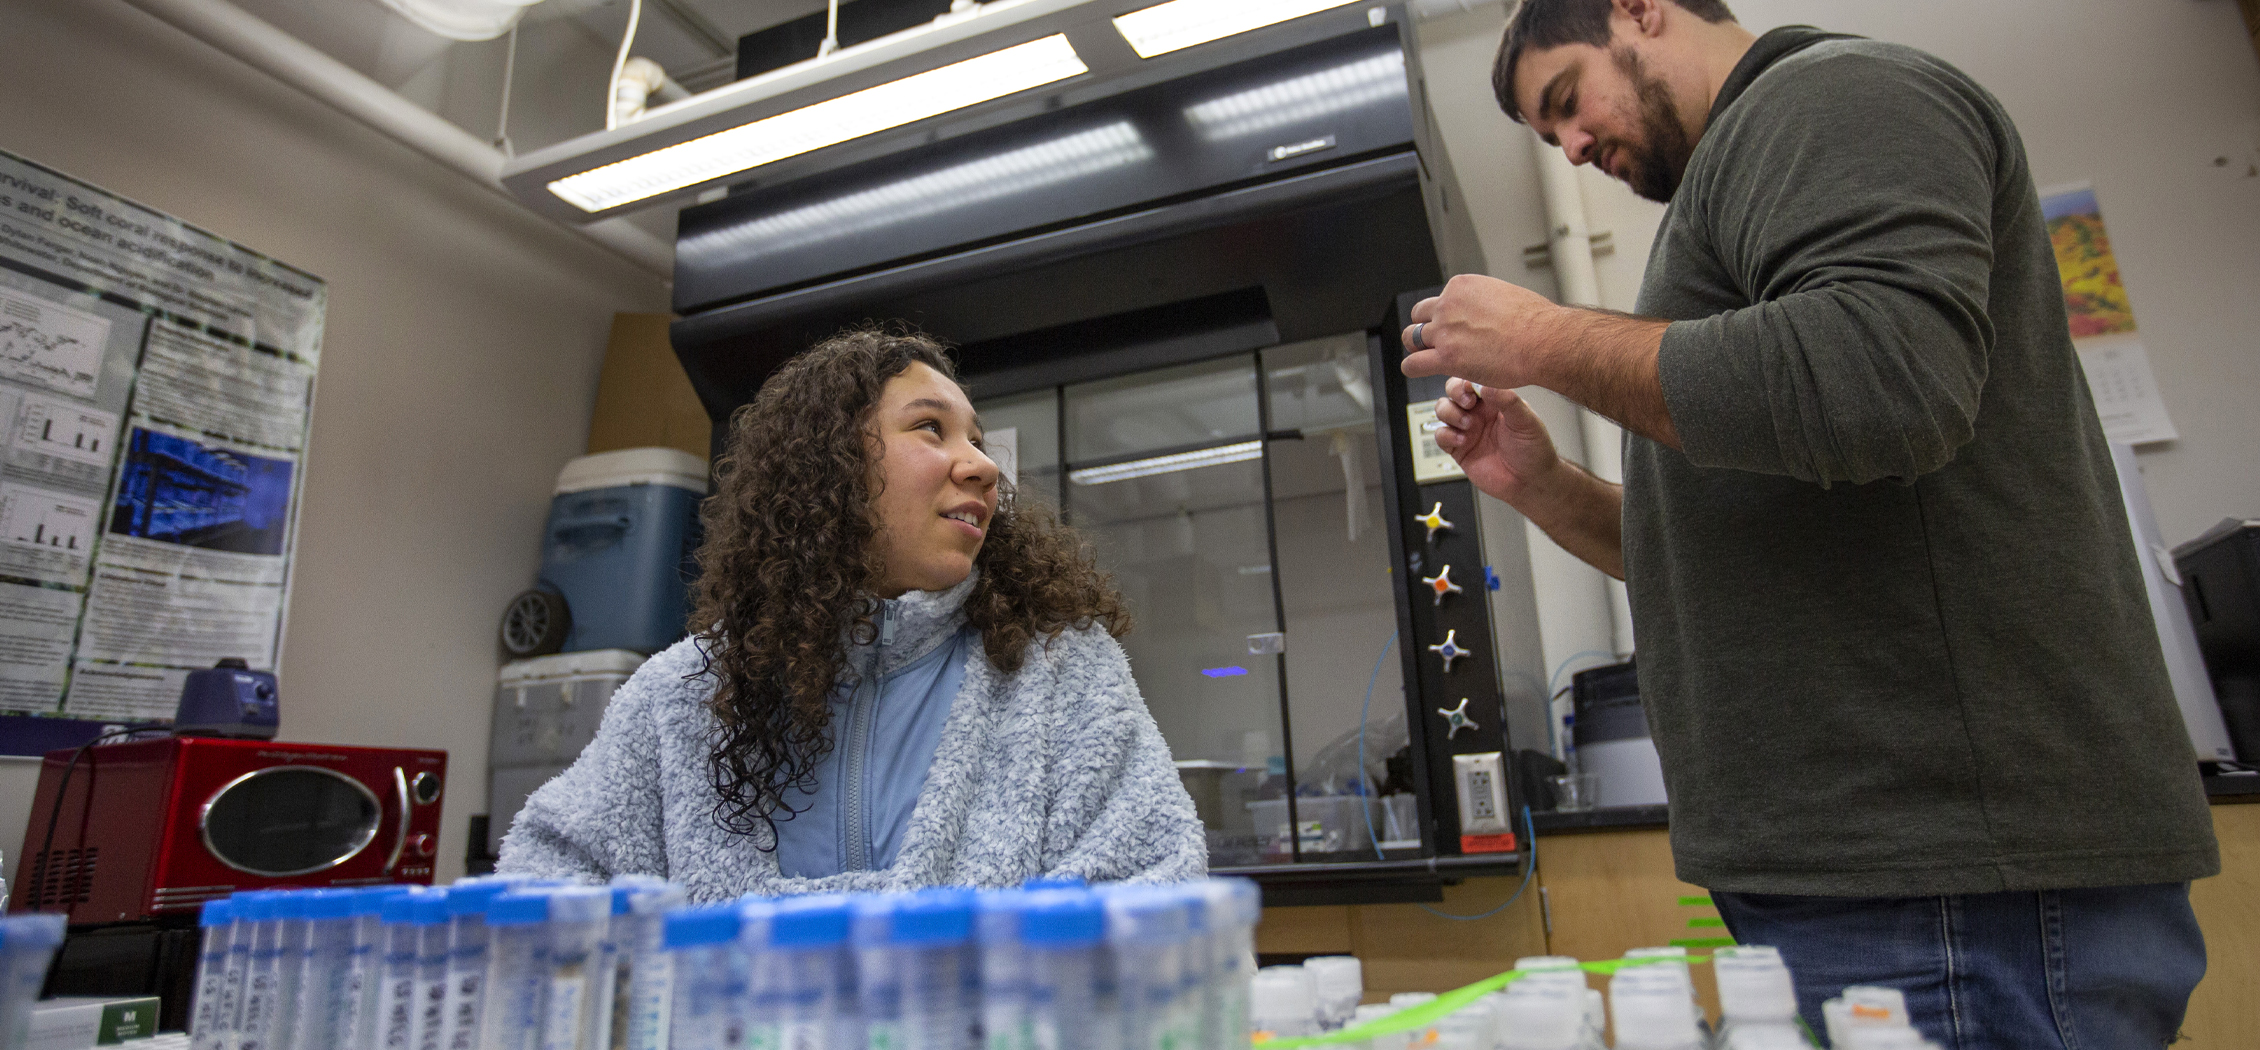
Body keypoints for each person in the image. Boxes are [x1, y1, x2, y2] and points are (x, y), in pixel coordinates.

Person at [1402, 0, 2218, 1044]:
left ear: (1640, 9)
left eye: (1564, 100)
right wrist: (1544, 485)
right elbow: (1719, 556)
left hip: (1955, 883)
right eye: (1547, 134)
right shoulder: (1741, 180)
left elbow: (1881, 380)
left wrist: (1544, 337)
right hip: (1873, 880)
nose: (1568, 145)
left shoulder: (1830, 97)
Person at [499, 327, 1206, 898]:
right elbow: (547, 882)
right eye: (931, 429)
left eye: (979, 444)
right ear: (828, 467)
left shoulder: (1060, 671)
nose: (983, 468)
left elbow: (1155, 889)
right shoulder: (679, 697)